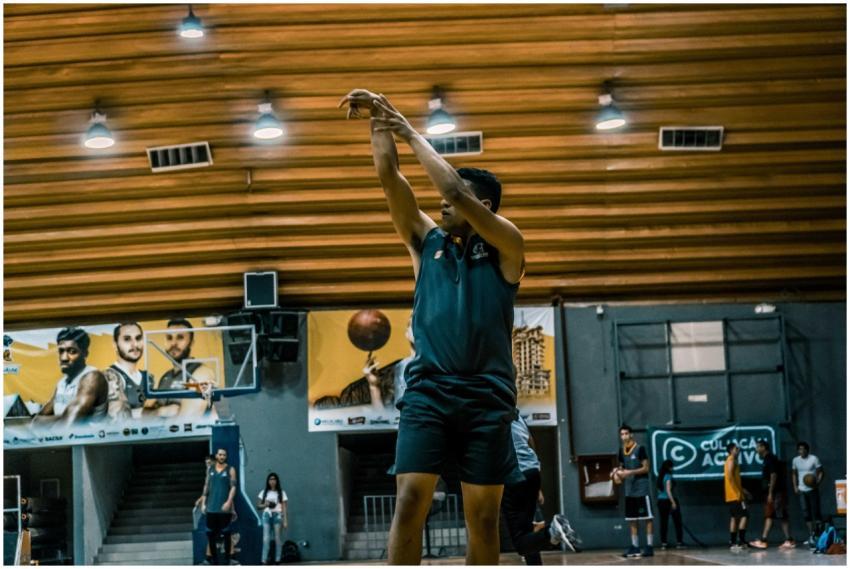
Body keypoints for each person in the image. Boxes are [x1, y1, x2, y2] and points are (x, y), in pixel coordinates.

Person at [339, 89, 525, 565]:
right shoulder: (427, 243)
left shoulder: (508, 245)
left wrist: (408, 128)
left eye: (455, 199)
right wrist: (380, 120)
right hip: (429, 392)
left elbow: (455, 192)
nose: (441, 205)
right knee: (408, 505)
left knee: (482, 520)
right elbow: (389, 177)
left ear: (484, 206)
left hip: (487, 397)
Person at [501, 413, 579, 564]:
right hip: (532, 471)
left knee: (520, 542)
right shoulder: (516, 415)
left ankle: (553, 531)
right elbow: (530, 441)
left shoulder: (490, 412)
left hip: (513, 474)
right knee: (527, 532)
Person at [33, 327, 108, 426]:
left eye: (72, 351)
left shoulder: (92, 377)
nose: (64, 358)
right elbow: (36, 423)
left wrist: (60, 419)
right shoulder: (61, 383)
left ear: (85, 354)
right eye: (61, 351)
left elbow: (68, 426)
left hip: (90, 440)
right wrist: (63, 417)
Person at [150, 318, 215, 417]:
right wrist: (161, 412)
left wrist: (157, 414)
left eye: (180, 337)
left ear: (191, 342)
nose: (173, 343)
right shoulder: (165, 378)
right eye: (169, 338)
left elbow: (187, 420)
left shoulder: (202, 374)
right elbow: (144, 416)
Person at [612, 424, 654, 558]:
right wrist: (616, 472)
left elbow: (646, 468)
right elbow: (621, 467)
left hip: (641, 488)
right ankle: (635, 547)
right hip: (629, 489)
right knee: (632, 520)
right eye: (622, 434)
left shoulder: (640, 448)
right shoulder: (621, 450)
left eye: (626, 433)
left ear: (631, 435)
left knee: (647, 518)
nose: (624, 436)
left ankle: (649, 546)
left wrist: (630, 472)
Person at [103, 322, 155, 420]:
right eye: (127, 339)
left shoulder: (149, 378)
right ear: (115, 344)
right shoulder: (109, 376)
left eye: (138, 338)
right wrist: (157, 412)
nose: (134, 344)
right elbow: (119, 419)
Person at [749, 440, 795, 549]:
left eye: (757, 447)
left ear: (763, 447)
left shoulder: (770, 459)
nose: (756, 449)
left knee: (780, 515)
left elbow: (773, 475)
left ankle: (788, 540)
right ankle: (765, 540)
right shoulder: (766, 459)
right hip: (773, 492)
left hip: (776, 492)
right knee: (770, 515)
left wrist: (770, 492)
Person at [201, 448, 237, 565]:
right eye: (220, 454)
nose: (222, 457)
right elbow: (206, 487)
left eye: (224, 455)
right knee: (211, 535)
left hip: (224, 509)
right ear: (216, 456)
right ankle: (214, 562)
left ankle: (229, 560)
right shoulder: (210, 469)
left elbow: (233, 488)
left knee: (226, 534)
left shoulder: (230, 470)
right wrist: (203, 503)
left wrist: (228, 502)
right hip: (211, 508)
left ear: (226, 457)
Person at [791, 441, 824, 546]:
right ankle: (811, 535)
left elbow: (821, 471)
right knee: (806, 513)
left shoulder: (814, 458)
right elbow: (794, 474)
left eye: (803, 449)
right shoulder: (795, 460)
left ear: (807, 450)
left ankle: (819, 535)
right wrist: (795, 486)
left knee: (816, 511)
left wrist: (817, 483)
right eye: (800, 449)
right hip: (801, 489)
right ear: (798, 450)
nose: (802, 451)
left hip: (812, 489)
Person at [724, 443, 752, 550]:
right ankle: (741, 541)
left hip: (732, 495)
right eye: (736, 449)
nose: (738, 450)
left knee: (734, 518)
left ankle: (733, 541)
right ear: (731, 450)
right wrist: (737, 493)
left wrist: (744, 491)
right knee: (745, 515)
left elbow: (734, 479)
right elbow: (730, 477)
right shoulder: (731, 460)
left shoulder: (729, 460)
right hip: (735, 496)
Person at [258, 472, 288, 564]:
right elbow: (258, 506)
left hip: (277, 516)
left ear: (277, 481)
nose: (272, 481)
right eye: (270, 479)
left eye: (274, 479)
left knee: (277, 538)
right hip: (267, 515)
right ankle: (264, 560)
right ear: (268, 481)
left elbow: (284, 507)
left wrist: (285, 520)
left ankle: (277, 560)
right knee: (266, 538)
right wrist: (266, 504)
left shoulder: (281, 492)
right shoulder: (263, 492)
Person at [655, 459, 684, 550]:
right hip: (669, 500)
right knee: (677, 522)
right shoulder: (668, 476)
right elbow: (668, 490)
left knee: (663, 523)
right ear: (669, 467)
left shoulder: (660, 477)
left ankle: (664, 543)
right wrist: (673, 502)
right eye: (672, 467)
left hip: (661, 501)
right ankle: (679, 542)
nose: (673, 468)